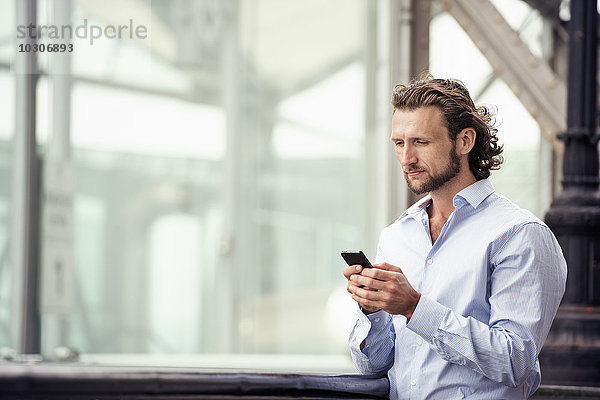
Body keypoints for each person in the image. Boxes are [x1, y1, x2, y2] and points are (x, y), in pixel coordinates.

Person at [344, 76, 567, 399]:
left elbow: (515, 359)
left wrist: (414, 307)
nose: (406, 159)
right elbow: (373, 367)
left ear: (464, 141)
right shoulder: (397, 235)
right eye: (398, 143)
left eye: (421, 142)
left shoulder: (519, 234)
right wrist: (372, 309)